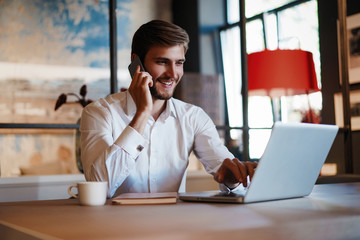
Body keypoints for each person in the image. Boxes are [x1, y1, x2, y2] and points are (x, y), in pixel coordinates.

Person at [80, 20, 257, 198]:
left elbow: (228, 172)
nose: (173, 74)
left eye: (179, 63)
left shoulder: (193, 117)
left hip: (175, 224)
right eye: (162, 62)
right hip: (115, 224)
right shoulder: (99, 113)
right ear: (137, 64)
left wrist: (233, 178)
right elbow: (99, 187)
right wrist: (142, 113)